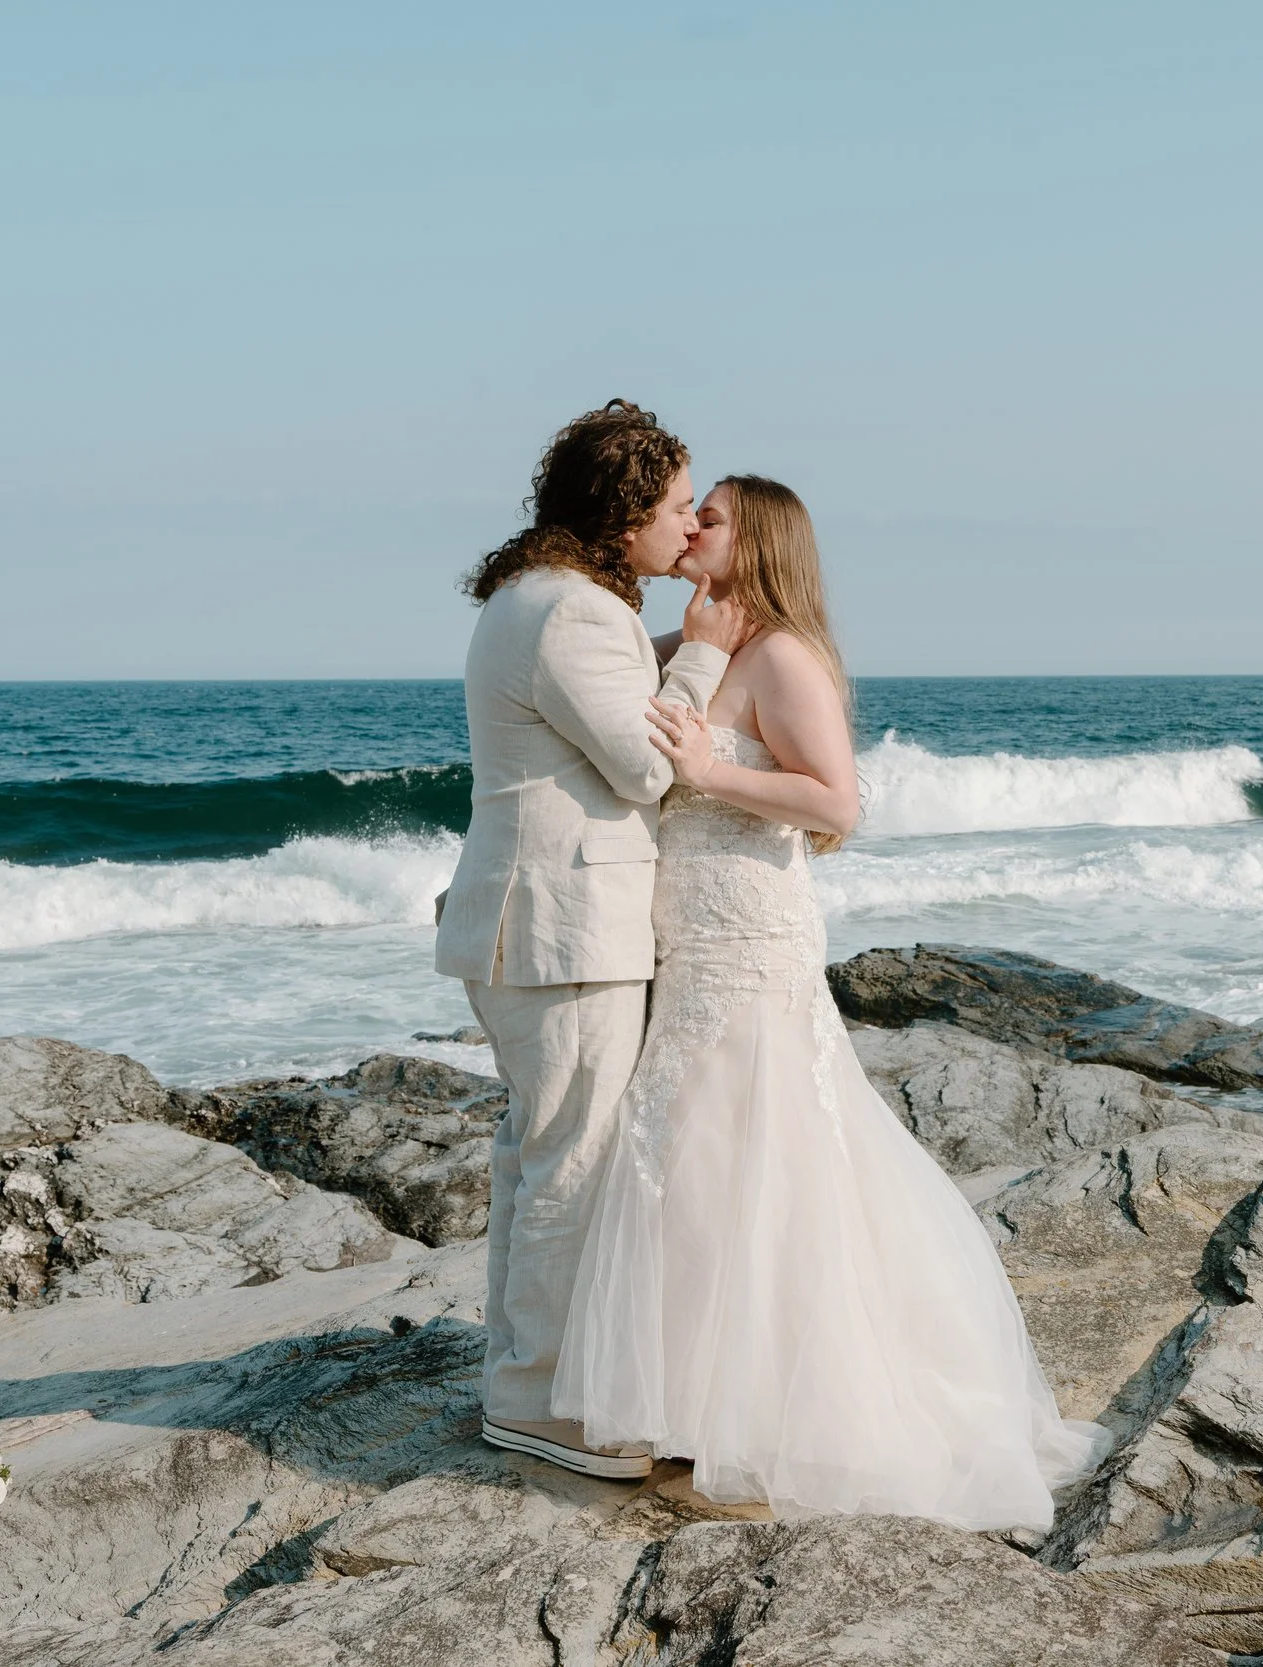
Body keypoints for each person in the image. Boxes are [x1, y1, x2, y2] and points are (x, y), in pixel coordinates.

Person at [550, 475, 1109, 1530]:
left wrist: (712, 772)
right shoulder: (679, 646)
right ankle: (686, 1392)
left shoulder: (784, 654)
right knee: (690, 1150)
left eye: (708, 515)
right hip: (684, 927)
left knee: (761, 1144)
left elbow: (834, 801)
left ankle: (781, 1403)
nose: (689, 526)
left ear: (753, 539)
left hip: (752, 929)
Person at [435, 400, 751, 1479]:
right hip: (562, 933)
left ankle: (522, 1377)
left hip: (534, 926)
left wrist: (665, 643)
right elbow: (648, 764)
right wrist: (702, 660)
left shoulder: (546, 600)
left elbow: (597, 708)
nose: (688, 526)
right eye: (671, 507)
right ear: (621, 518)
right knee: (569, 1161)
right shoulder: (572, 613)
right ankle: (540, 1402)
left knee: (538, 1153)